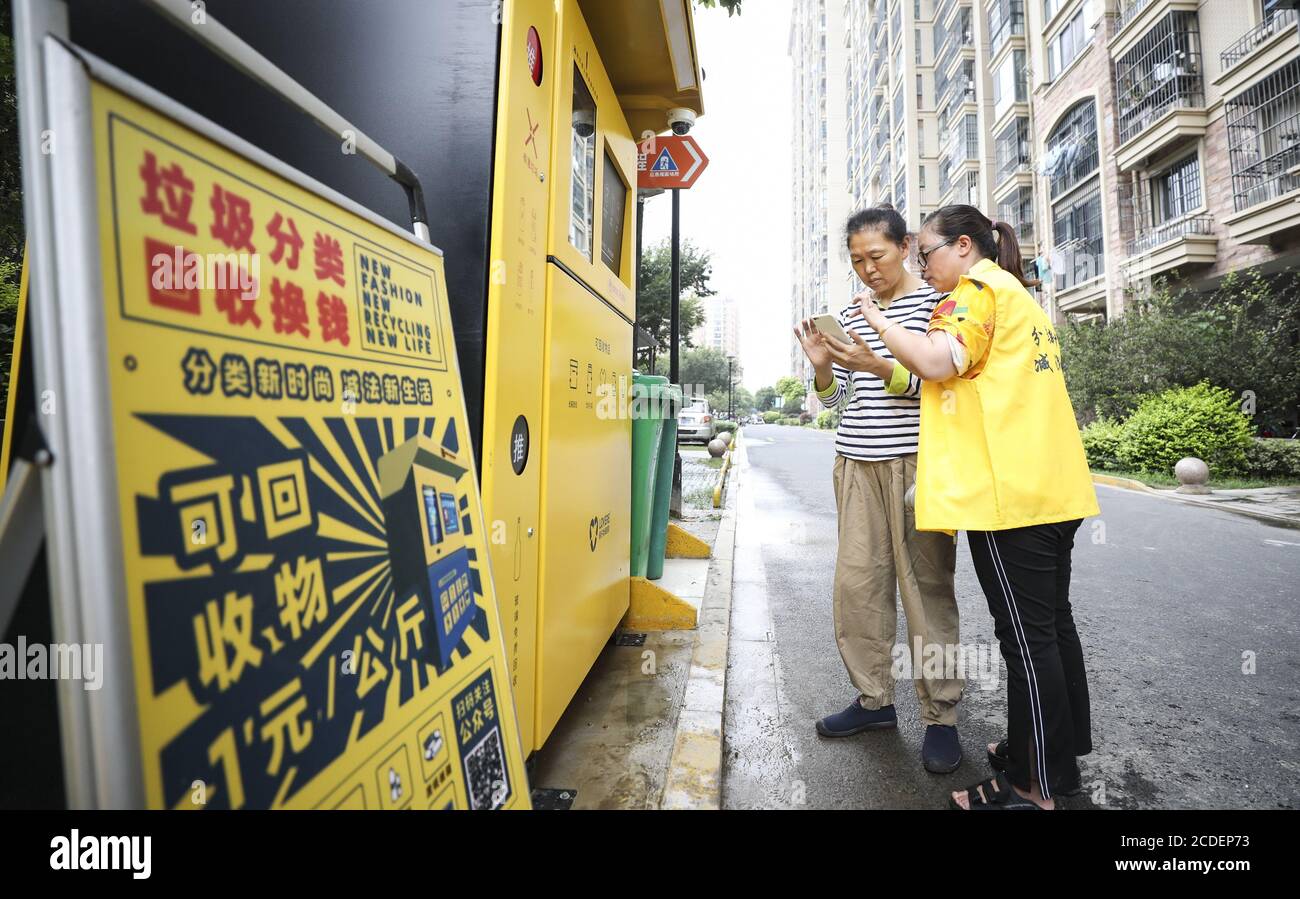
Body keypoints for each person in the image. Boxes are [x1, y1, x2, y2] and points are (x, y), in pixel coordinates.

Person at [852, 204, 1100, 809]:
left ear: (963, 247)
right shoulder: (1017, 292)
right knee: (1050, 629)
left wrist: (878, 324)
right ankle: (1053, 758)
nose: (921, 263)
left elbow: (936, 363)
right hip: (1051, 488)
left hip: (1009, 499)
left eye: (926, 252)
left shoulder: (973, 291)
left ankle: (1029, 786)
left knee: (1026, 643)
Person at [793, 204, 964, 775]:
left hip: (918, 467)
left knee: (927, 590)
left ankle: (941, 717)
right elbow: (841, 404)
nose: (867, 269)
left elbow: (942, 384)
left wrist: (874, 364)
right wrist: (822, 369)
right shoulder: (848, 313)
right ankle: (874, 701)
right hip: (856, 464)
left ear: (905, 247)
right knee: (858, 588)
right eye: (856, 260)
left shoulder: (939, 301)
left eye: (877, 256)